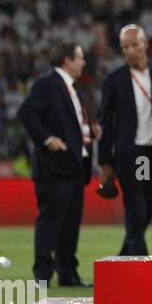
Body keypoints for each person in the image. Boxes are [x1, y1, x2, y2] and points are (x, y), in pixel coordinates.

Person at [97, 24, 152, 256]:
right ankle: (139, 264)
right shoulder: (114, 80)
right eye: (125, 47)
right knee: (136, 209)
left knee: (148, 208)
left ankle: (125, 258)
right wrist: (104, 162)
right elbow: (105, 124)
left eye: (134, 45)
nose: (130, 51)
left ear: (145, 44)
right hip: (131, 154)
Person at [17, 42, 95, 287]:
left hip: (73, 168)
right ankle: (42, 275)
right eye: (80, 58)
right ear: (67, 60)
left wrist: (91, 131)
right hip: (54, 169)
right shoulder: (48, 84)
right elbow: (26, 112)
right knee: (51, 223)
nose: (83, 62)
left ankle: (68, 273)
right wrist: (47, 139)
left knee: (69, 226)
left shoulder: (71, 89)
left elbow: (71, 126)